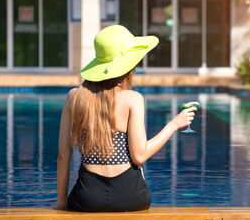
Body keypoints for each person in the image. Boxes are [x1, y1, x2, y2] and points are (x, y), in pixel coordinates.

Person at [56, 25, 197, 212]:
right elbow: (139, 156)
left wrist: (61, 203)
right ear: (127, 67)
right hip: (130, 196)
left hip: (88, 196)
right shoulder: (133, 99)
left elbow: (63, 155)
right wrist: (173, 125)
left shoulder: (74, 98)